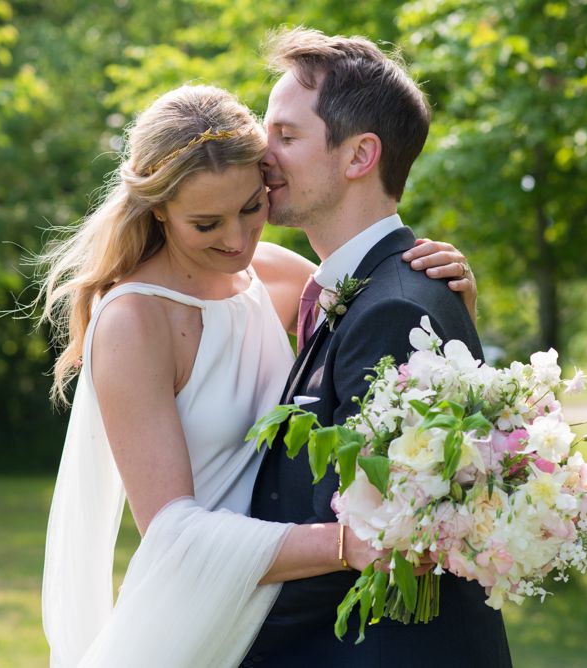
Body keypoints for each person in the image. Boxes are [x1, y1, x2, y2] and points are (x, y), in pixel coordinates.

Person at [38, 83, 478, 667]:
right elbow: (170, 533)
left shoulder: (276, 277)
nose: (238, 240)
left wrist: (449, 306)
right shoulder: (134, 321)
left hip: (295, 615)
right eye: (206, 223)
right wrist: (347, 543)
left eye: (252, 207)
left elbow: (380, 340)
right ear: (158, 209)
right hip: (201, 611)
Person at [244, 28, 513, 667]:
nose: (262, 156)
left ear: (360, 154)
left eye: (286, 136)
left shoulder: (392, 306)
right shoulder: (367, 288)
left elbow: (368, 537)